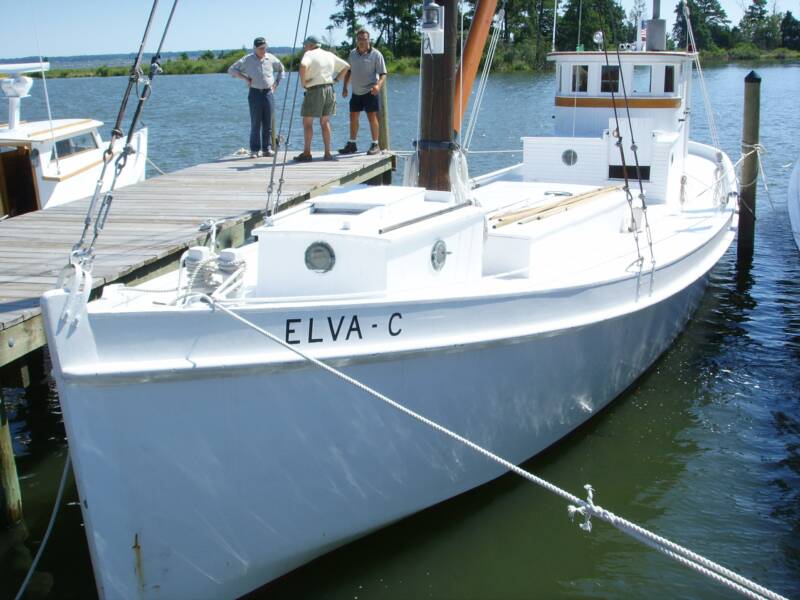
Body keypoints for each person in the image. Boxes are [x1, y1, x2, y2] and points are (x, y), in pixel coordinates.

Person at [295, 36, 350, 162]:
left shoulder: (309, 54)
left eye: (305, 45)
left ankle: (307, 153)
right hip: (329, 89)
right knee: (325, 122)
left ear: (310, 45)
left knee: (307, 122)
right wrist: (336, 80)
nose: (304, 47)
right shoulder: (329, 54)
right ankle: (327, 154)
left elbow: (303, 66)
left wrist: (303, 83)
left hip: (314, 90)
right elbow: (346, 66)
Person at [228, 37, 285, 158]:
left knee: (268, 123)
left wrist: (276, 85)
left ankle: (266, 148)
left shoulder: (271, 58)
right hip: (254, 93)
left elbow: (281, 69)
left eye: (264, 48)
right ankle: (254, 150)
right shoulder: (247, 59)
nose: (263, 50)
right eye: (260, 48)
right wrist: (245, 78)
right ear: (254, 48)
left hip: (268, 93)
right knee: (256, 123)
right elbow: (231, 70)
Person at [339, 30, 387, 156]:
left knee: (372, 117)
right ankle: (352, 144)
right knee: (353, 116)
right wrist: (345, 87)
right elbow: (348, 71)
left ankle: (375, 144)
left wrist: (378, 85)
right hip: (356, 92)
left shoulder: (376, 54)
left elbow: (383, 74)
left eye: (364, 39)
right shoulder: (353, 54)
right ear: (357, 40)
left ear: (369, 39)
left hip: (370, 91)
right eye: (360, 39)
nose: (362, 41)